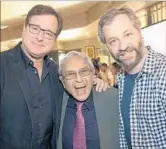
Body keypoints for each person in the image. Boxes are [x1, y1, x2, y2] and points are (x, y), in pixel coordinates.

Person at [0, 5, 108, 149]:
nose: (40, 37)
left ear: (55, 39)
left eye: (49, 33)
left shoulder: (57, 73)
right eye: (35, 28)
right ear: (24, 28)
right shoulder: (2, 65)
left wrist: (94, 82)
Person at [98, 7, 166, 148]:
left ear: (139, 32)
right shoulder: (122, 78)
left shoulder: (163, 74)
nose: (122, 46)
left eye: (127, 34)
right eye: (113, 41)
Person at [57, 51, 119, 149]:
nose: (79, 79)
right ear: (63, 81)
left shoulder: (113, 98)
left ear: (93, 74)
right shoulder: (57, 103)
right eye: (70, 74)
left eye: (84, 72)